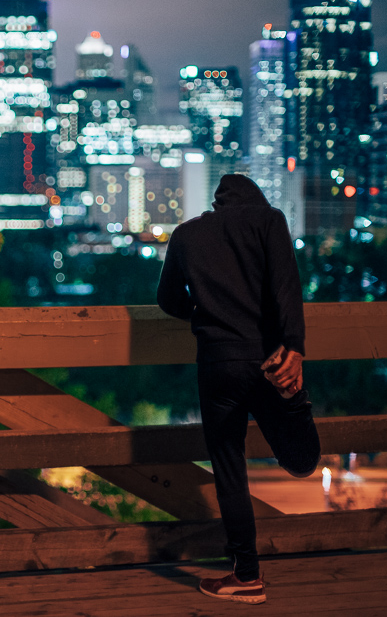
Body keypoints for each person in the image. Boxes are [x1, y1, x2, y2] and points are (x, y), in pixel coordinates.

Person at [156, 174, 321, 605]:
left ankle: (247, 577)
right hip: (268, 359)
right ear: (256, 200)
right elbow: (287, 288)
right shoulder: (269, 220)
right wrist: (294, 347)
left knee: (230, 471)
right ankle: (297, 402)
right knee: (302, 462)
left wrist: (205, 312)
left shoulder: (186, 234)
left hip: (217, 364)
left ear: (217, 203)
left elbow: (168, 300)